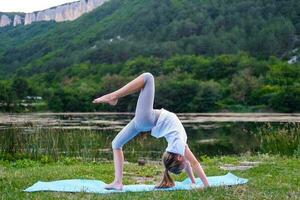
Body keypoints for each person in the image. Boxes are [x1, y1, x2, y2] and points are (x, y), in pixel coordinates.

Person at [93, 72, 209, 190]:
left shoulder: (178, 144)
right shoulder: (178, 146)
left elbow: (193, 163)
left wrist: (206, 185)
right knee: (116, 144)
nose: (186, 162)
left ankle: (113, 96)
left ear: (179, 158)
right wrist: (195, 182)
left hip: (148, 119)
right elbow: (190, 163)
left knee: (148, 77)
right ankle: (117, 183)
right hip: (146, 123)